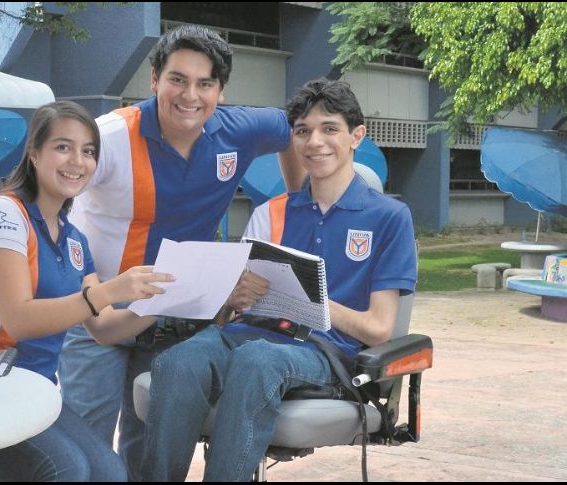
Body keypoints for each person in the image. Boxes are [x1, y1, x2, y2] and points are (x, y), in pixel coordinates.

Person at [141, 78, 419, 481]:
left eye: (329, 129)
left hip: (324, 351)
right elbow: (229, 314)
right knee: (179, 360)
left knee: (258, 360)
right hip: (249, 334)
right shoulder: (271, 213)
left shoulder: (389, 218)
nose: (315, 142)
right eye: (303, 131)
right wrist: (231, 297)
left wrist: (313, 300)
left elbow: (378, 329)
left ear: (356, 136)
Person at [57, 24, 303, 480]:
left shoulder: (240, 131)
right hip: (101, 308)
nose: (190, 95)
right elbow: (54, 201)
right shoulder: (110, 136)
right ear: (154, 79)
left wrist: (296, 201)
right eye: (177, 79)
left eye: (205, 83)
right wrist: (82, 287)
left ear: (220, 92)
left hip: (174, 313)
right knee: (85, 448)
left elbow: (289, 130)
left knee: (151, 448)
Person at [0, 101, 173, 482]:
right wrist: (110, 290)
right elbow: (19, 319)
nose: (77, 161)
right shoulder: (3, 214)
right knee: (67, 469)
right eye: (63, 147)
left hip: (31, 390)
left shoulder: (74, 238)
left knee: (111, 473)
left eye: (88, 151)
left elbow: (104, 328)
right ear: (33, 154)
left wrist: (163, 303)